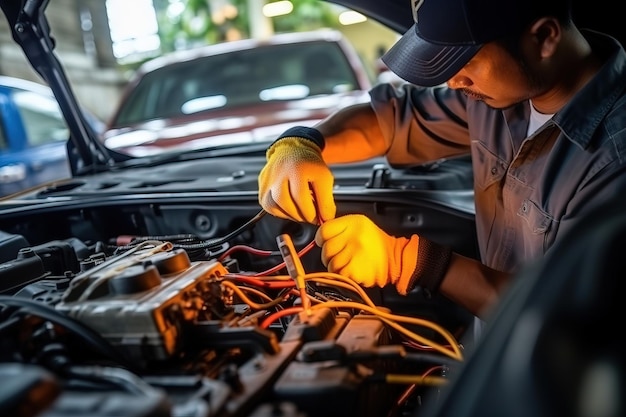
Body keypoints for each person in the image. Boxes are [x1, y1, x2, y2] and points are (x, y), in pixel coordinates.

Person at [257, 0, 626, 319]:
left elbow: (561, 316)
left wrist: (407, 260)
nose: (452, 81)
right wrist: (301, 145)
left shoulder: (613, 160)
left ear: (544, 38)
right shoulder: (499, 96)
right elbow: (393, 120)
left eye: (466, 60)